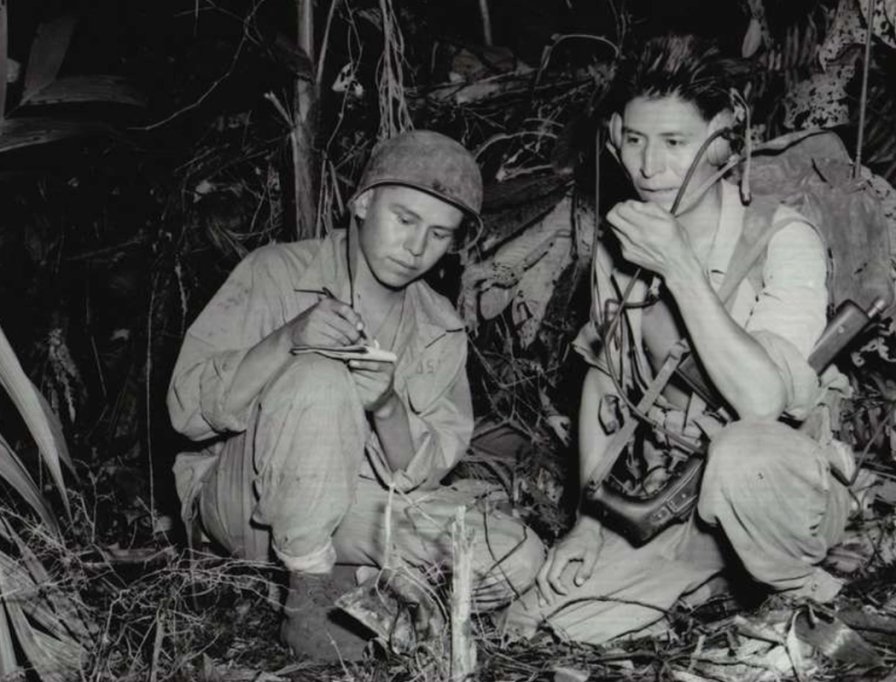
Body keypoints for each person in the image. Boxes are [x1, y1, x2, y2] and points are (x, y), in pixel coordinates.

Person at [502, 34, 854, 644]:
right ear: (613, 135)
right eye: (635, 141)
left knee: (746, 455)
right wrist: (589, 520)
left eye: (675, 143)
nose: (648, 167)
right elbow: (605, 380)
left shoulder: (782, 239)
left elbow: (764, 403)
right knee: (558, 623)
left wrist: (682, 271)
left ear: (722, 139)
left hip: (779, 494)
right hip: (676, 495)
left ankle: (799, 593)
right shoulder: (621, 247)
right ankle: (718, 579)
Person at [168, 130, 544, 661]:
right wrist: (288, 339)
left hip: (352, 509)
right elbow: (186, 413)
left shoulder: (439, 326)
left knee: (516, 555)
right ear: (364, 202)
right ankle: (308, 601)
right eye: (405, 220)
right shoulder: (275, 272)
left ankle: (366, 586)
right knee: (320, 375)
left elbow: (426, 472)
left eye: (439, 234)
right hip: (244, 503)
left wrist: (387, 407)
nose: (417, 248)